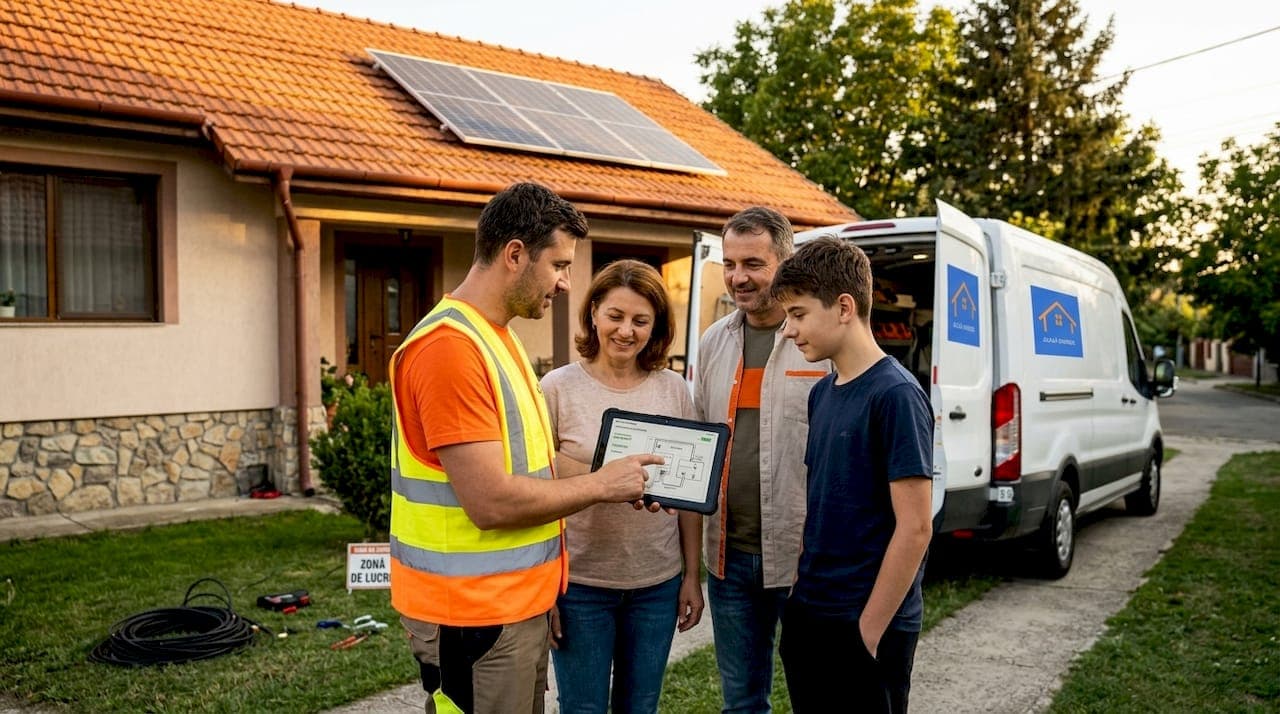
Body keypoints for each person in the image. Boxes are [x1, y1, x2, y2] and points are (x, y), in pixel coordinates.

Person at [388, 182, 663, 714]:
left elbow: (533, 466)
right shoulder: (450, 350)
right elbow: (490, 502)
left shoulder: (496, 336)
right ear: (515, 254)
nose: (564, 283)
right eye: (559, 265)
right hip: (471, 614)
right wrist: (602, 485)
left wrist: (617, 475)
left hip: (509, 608)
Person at [770, 236, 934, 714]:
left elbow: (916, 526)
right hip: (811, 612)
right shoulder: (823, 392)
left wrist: (868, 631)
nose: (787, 331)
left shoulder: (896, 395)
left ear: (844, 307)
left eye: (797, 315)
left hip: (866, 622)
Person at [540, 259, 705, 714]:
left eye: (640, 320)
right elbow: (536, 488)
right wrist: (546, 586)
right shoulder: (557, 388)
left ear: (657, 327)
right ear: (593, 312)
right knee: (583, 708)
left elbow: (689, 495)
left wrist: (691, 576)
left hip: (656, 583)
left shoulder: (674, 391)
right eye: (615, 315)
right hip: (580, 585)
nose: (626, 331)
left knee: (641, 707)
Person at [694, 206, 829, 713]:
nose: (738, 278)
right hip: (729, 559)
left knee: (815, 696)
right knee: (742, 702)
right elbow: (703, 442)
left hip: (803, 558)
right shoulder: (713, 342)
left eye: (753, 263)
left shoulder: (819, 344)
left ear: (785, 260)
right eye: (729, 264)